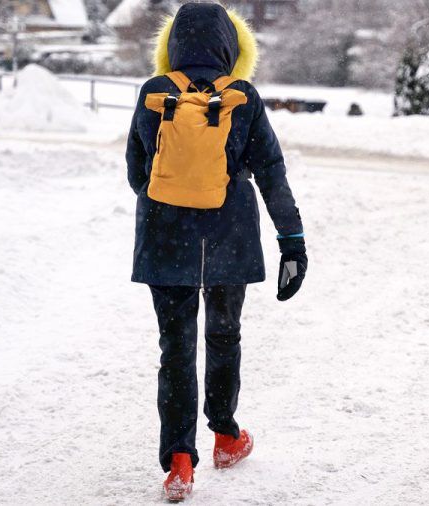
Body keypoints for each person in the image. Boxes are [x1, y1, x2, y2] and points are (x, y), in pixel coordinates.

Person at [125, 2, 308, 501]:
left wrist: (175, 198)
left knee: (176, 348)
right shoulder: (242, 97)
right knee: (224, 336)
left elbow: (137, 173)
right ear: (232, 46)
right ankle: (226, 436)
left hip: (165, 241)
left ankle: (180, 461)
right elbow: (271, 171)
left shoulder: (155, 93)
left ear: (173, 45)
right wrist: (291, 240)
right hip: (230, 238)